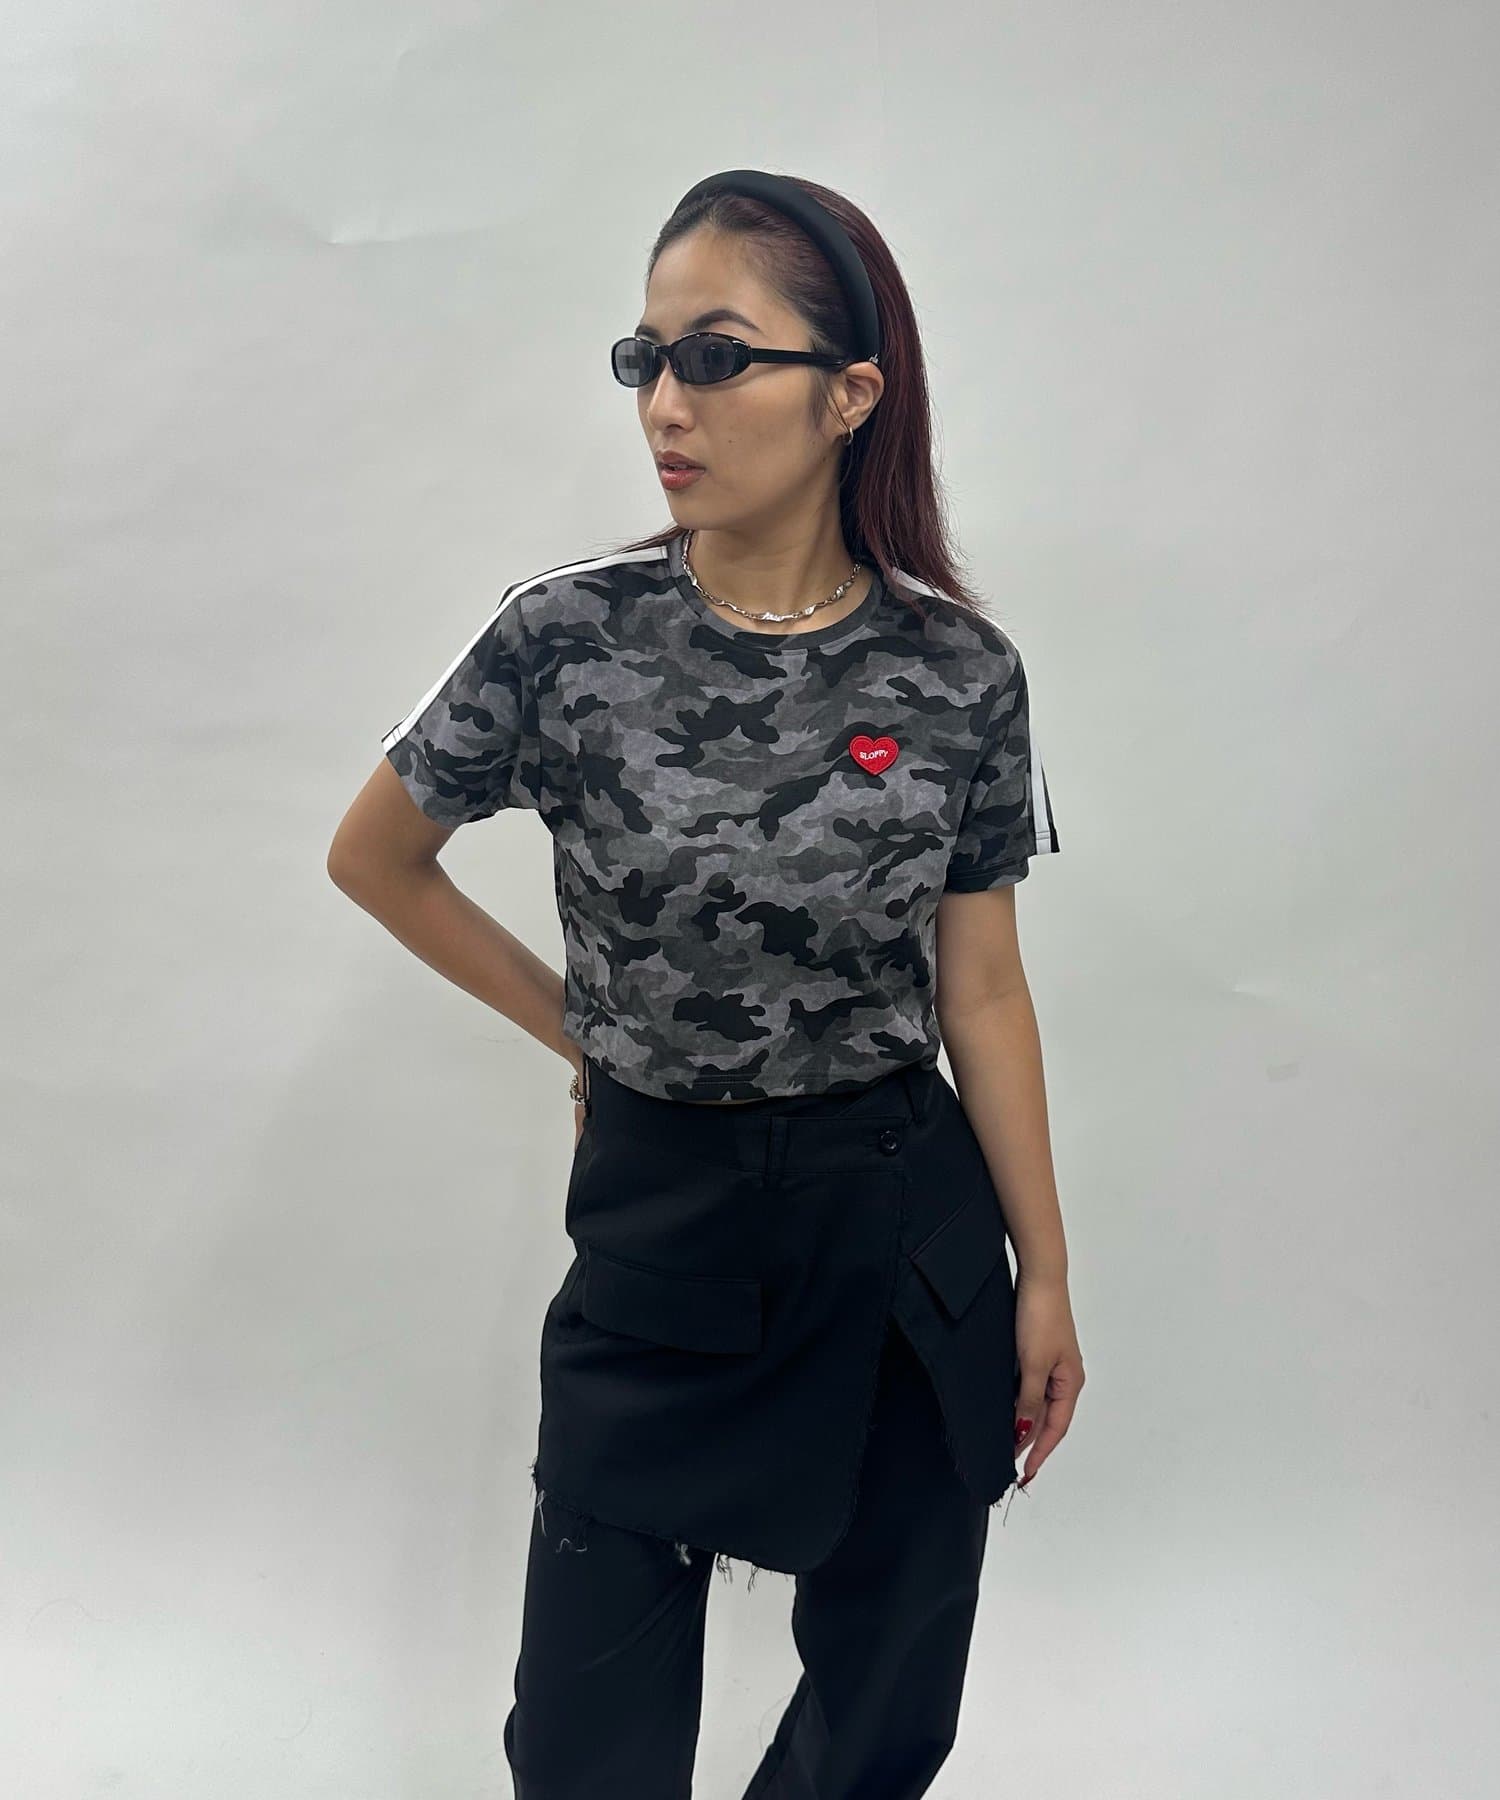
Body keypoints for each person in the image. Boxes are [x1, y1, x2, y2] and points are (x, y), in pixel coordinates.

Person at [328, 168, 1085, 1800]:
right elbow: (376, 859)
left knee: (886, 1710)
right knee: (586, 1743)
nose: (666, 405)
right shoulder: (563, 640)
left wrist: (1046, 1271)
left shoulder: (960, 671)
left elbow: (985, 991)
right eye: (648, 359)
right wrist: (584, 1030)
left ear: (850, 394)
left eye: (717, 357)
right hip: (661, 1226)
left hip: (901, 1233)